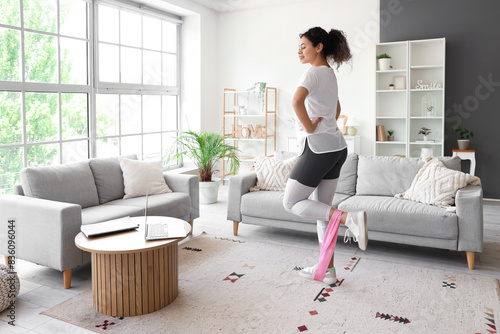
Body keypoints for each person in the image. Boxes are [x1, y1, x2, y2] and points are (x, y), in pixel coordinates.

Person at [283, 27, 367, 285]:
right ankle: (328, 271)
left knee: (291, 202)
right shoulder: (329, 73)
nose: (300, 50)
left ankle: (349, 218)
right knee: (322, 212)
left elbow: (296, 100)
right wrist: (321, 121)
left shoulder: (311, 72)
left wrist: (308, 126)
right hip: (337, 149)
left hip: (318, 148)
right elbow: (337, 107)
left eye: (304, 46)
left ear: (319, 47)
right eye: (299, 46)